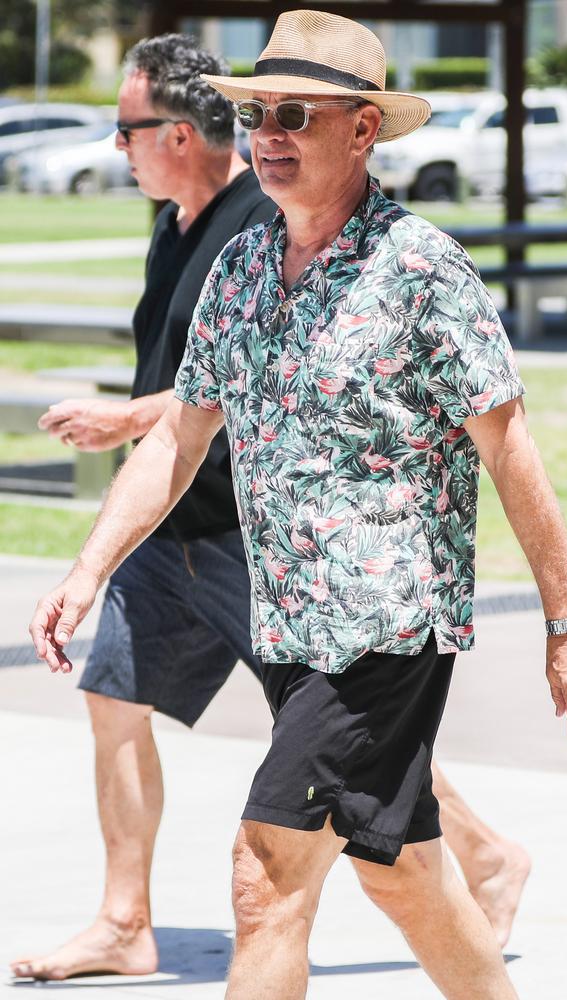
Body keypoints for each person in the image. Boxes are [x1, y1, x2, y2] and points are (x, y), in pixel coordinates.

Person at [25, 12, 567, 999]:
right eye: (257, 114)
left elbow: (507, 448)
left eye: (296, 113)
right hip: (293, 633)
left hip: (387, 629)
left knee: (264, 870)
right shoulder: (241, 271)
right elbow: (179, 433)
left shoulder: (422, 271)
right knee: (404, 874)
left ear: (363, 130)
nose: (269, 135)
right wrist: (89, 569)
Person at [10, 33, 276, 982]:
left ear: (178, 132)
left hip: (256, 536)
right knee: (111, 700)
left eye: (125, 133)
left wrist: (126, 414)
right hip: (170, 529)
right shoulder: (173, 224)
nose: (115, 150)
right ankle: (125, 924)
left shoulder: (259, 227)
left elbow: (252, 384)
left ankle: (485, 860)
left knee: (350, 735)